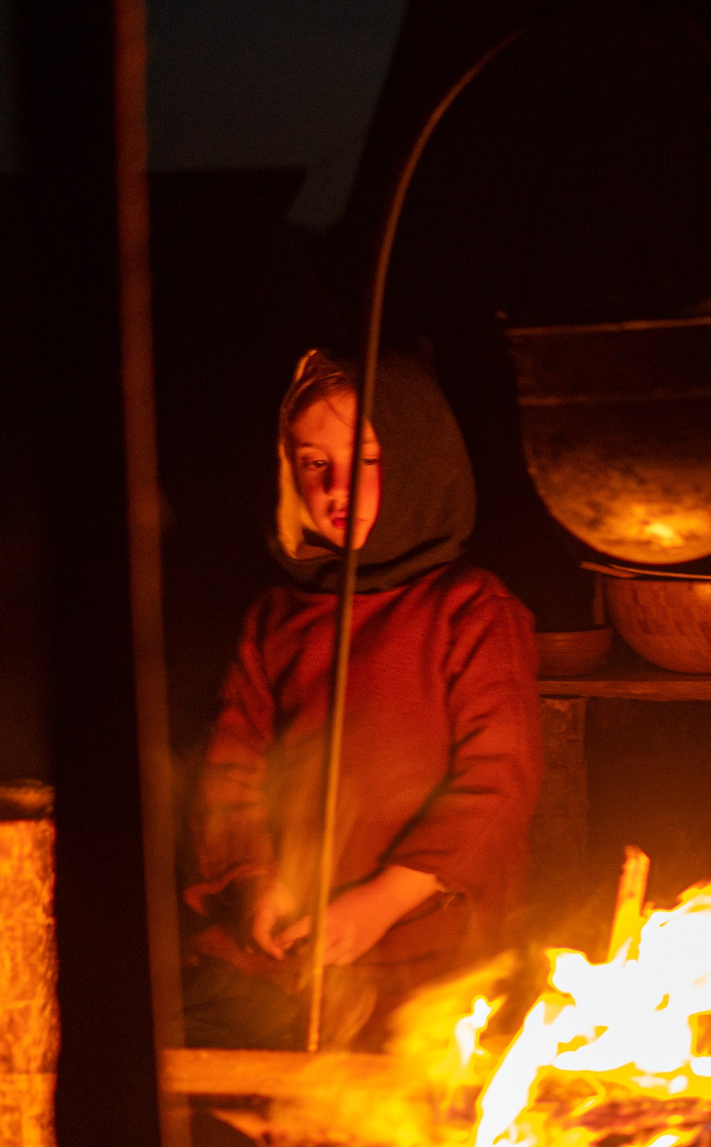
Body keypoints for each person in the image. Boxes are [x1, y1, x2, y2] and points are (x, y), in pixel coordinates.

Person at [183, 349, 543, 1052]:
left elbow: (500, 779)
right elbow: (231, 768)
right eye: (313, 462)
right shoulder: (276, 617)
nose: (336, 486)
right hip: (289, 948)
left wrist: (385, 899)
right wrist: (254, 881)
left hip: (433, 955)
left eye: (367, 459)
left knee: (409, 1094)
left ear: (420, 458)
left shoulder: (471, 610)